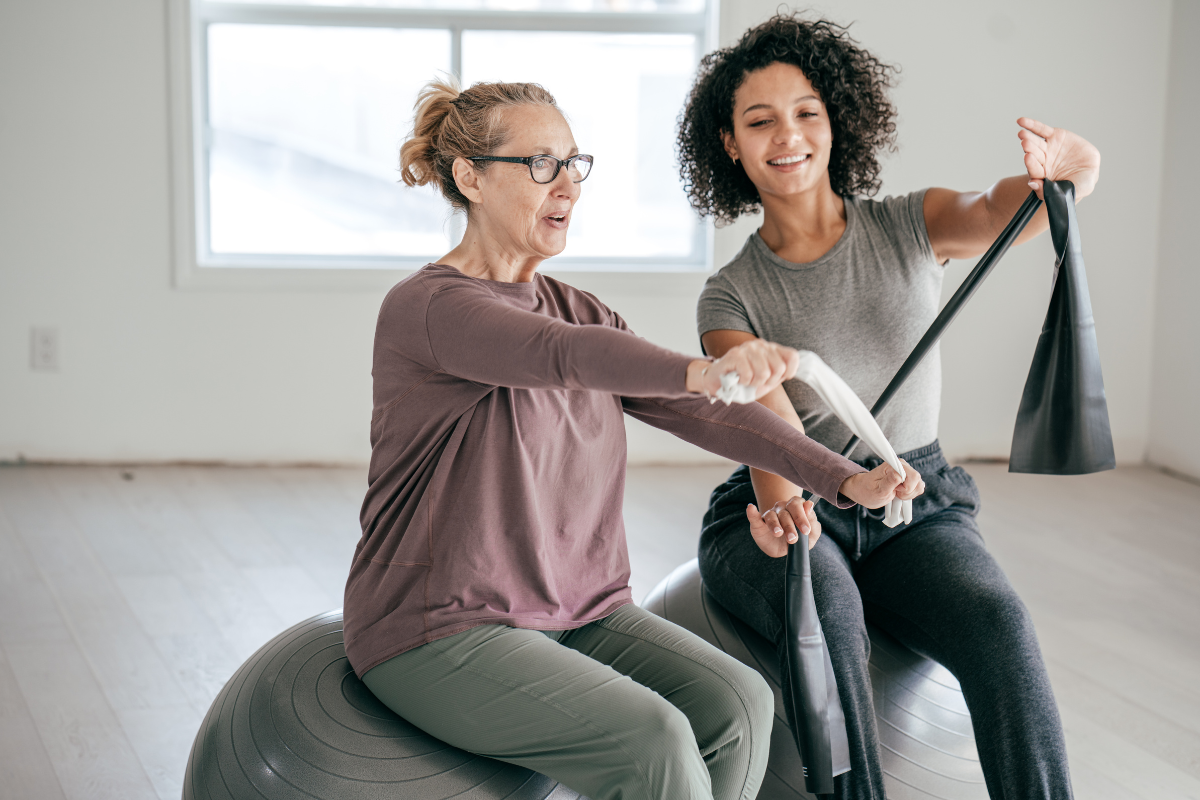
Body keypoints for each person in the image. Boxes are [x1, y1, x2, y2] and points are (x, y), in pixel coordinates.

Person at [343, 77, 923, 800]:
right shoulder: (428, 309)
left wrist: (844, 478)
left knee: (741, 706)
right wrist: (708, 369)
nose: (567, 186)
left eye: (573, 163)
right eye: (540, 165)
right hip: (442, 629)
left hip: (582, 612)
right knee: (652, 740)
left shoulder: (577, 307)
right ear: (470, 178)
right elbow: (561, 355)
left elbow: (709, 413)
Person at [678, 13, 1099, 800]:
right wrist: (791, 508)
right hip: (796, 499)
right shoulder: (730, 293)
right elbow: (768, 422)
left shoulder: (912, 222)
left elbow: (1006, 210)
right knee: (832, 621)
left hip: (916, 501)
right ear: (731, 144)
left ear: (835, 119)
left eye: (806, 112)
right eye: (759, 120)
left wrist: (1070, 177)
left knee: (999, 621)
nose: (788, 135)